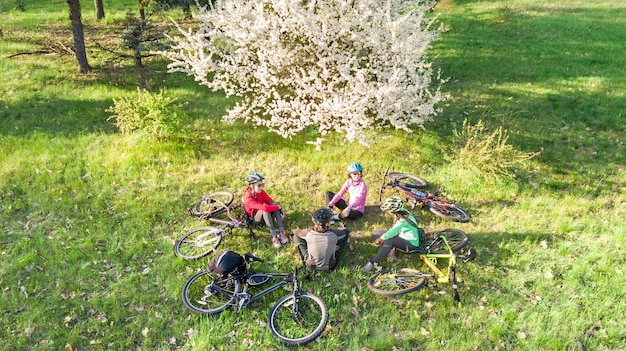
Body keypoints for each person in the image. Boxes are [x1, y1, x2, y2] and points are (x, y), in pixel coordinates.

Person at [361, 196, 422, 273]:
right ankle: (390, 250)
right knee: (377, 233)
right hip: (402, 237)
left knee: (390, 240)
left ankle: (372, 263)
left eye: (388, 211)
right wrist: (382, 237)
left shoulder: (403, 219)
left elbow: (393, 231)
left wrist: (381, 239)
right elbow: (394, 230)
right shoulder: (401, 212)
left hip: (411, 244)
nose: (387, 212)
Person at [242, 173, 289, 248]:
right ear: (251, 186)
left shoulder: (260, 192)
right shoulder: (248, 198)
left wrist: (278, 208)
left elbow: (270, 200)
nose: (261, 187)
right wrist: (278, 208)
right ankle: (274, 236)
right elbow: (265, 208)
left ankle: (282, 232)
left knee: (274, 204)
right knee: (266, 209)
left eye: (262, 184)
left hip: (264, 214)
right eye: (259, 185)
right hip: (255, 220)